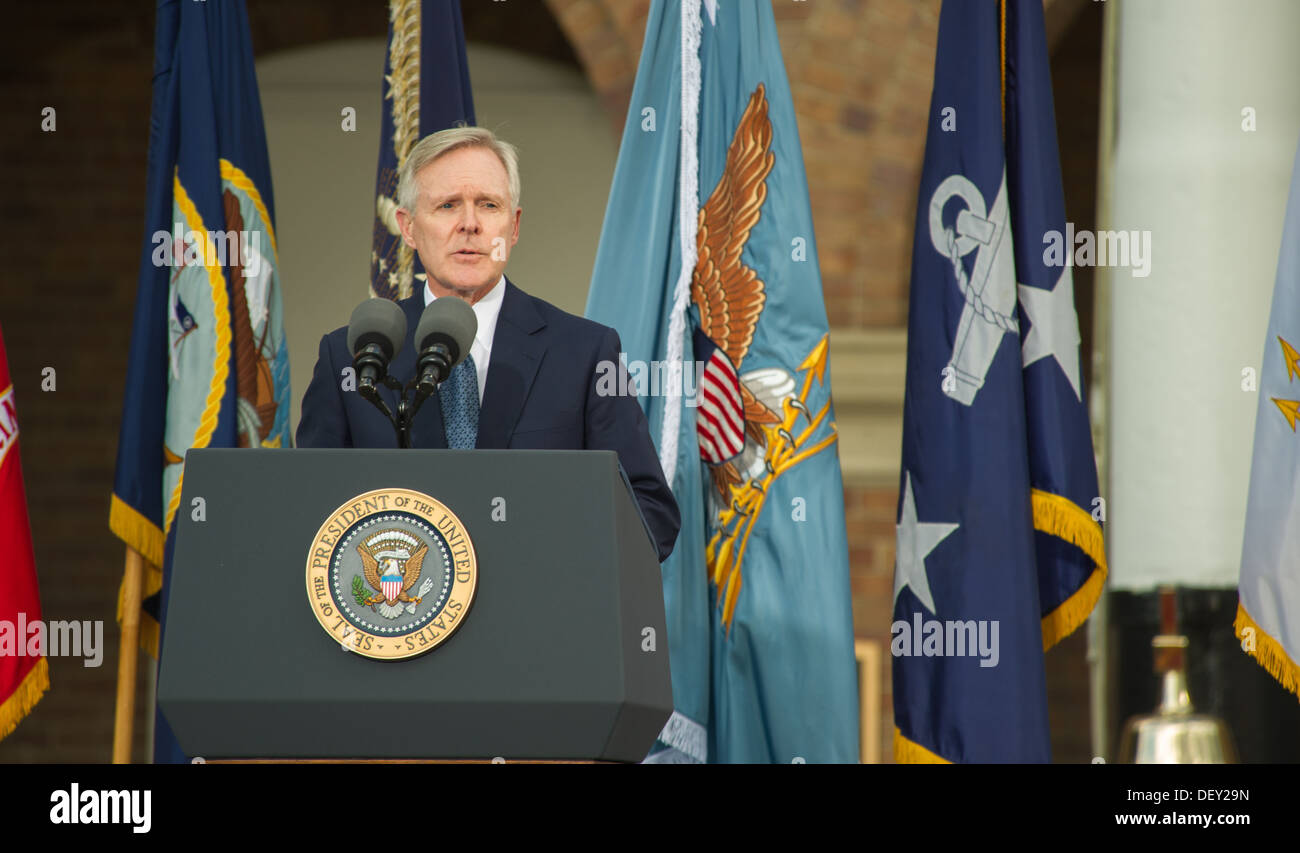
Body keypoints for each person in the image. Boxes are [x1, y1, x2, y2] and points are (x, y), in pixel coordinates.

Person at [296, 126, 679, 561]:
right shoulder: (352, 356)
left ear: (512, 227)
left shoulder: (585, 353)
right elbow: (308, 512)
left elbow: (650, 514)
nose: (470, 224)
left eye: (489, 205)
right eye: (447, 206)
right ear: (408, 228)